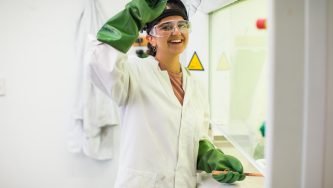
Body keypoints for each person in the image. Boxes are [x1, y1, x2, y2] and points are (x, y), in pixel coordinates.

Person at [89, 0, 246, 187]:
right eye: (166, 26)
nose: (176, 32)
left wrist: (210, 157)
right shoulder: (133, 73)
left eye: (182, 25)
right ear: (151, 38)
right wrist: (133, 15)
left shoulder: (197, 86)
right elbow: (100, 63)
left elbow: (195, 138)